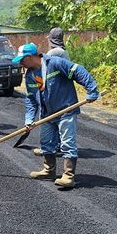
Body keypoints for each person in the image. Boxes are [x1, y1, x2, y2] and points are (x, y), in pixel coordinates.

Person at [12, 42, 99, 188]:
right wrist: (29, 120)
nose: (20, 63)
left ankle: (68, 176)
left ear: (30, 57)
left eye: (22, 60)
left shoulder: (55, 63)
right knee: (46, 142)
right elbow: (31, 99)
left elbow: (78, 71)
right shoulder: (30, 75)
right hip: (47, 114)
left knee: (67, 143)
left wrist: (92, 90)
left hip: (65, 110)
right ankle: (49, 171)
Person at [33, 27, 69, 156]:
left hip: (56, 91)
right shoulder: (62, 51)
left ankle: (53, 147)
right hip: (60, 90)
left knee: (52, 120)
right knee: (57, 120)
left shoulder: (55, 52)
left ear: (52, 39)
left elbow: (44, 69)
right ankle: (55, 146)